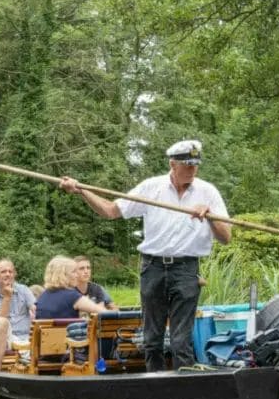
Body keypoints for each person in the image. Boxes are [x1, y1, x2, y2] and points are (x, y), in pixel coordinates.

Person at [59, 139, 231, 371]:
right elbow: (110, 211)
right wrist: (82, 190)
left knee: (181, 341)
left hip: (187, 269)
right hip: (153, 268)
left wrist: (210, 216)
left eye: (195, 166)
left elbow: (225, 237)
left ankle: (185, 389)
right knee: (152, 339)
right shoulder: (152, 188)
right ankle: (155, 386)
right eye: (187, 165)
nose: (192, 170)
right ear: (173, 164)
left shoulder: (207, 192)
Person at [0, 258, 37, 371]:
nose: (7, 274)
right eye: (3, 272)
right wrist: (7, 297)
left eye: (10, 271)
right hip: (0, 336)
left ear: (14, 274)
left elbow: (36, 309)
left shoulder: (24, 290)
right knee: (2, 322)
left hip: (25, 336)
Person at [35, 256, 107, 319]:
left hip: (48, 334)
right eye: (74, 272)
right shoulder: (72, 296)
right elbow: (104, 313)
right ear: (63, 275)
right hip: (66, 334)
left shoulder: (43, 296)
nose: (77, 275)